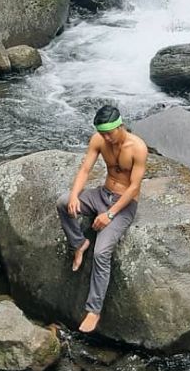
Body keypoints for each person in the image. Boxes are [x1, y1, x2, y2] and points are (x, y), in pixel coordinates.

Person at [56, 103, 148, 333]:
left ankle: (94, 310)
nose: (106, 138)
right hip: (101, 194)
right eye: (102, 133)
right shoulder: (99, 140)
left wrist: (109, 214)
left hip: (123, 204)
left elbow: (134, 186)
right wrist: (75, 196)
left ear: (120, 126)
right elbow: (85, 170)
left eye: (109, 133)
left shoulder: (138, 148)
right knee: (62, 202)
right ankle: (79, 243)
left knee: (101, 252)